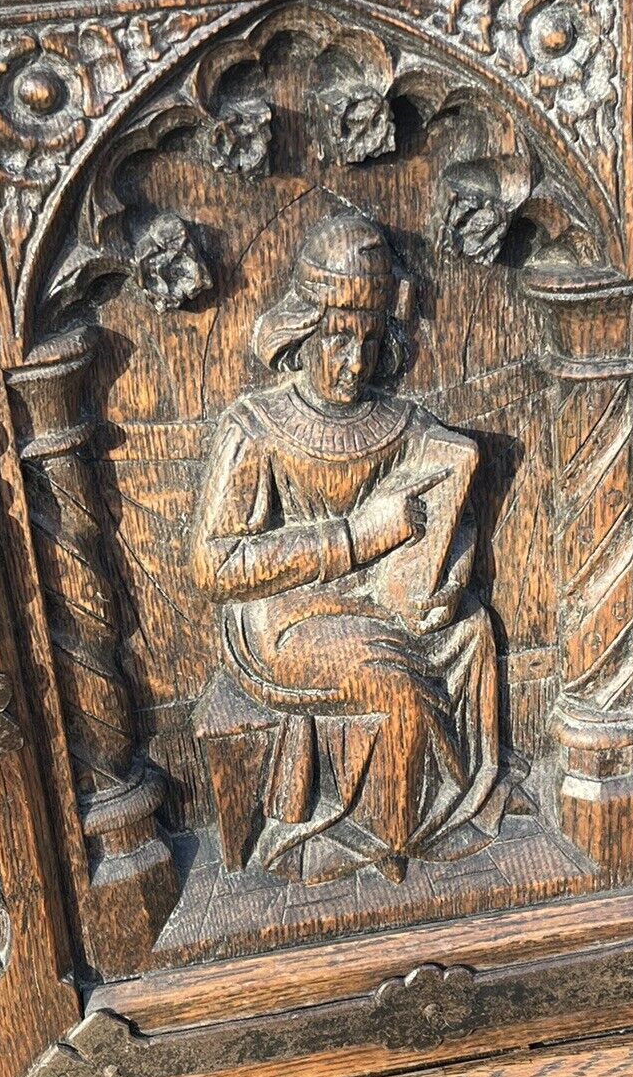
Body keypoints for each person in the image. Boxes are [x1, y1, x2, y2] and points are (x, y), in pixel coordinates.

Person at [191, 211, 529, 884]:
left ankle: (462, 798)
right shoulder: (256, 427)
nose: (352, 363)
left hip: (381, 599)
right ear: (302, 329)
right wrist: (356, 537)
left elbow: (447, 510)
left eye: (369, 342)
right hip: (284, 617)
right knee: (396, 684)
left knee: (470, 634)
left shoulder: (399, 421)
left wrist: (447, 575)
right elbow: (215, 564)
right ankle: (378, 842)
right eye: (336, 338)